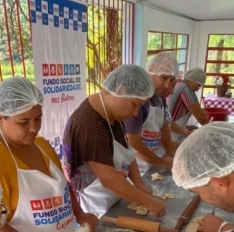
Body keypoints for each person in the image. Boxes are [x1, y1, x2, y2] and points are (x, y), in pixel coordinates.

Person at [0, 77, 98, 232]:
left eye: (38, 119)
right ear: (0, 117)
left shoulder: (41, 144)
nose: (34, 128)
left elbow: (63, 186)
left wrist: (79, 213)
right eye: (23, 122)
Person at [61, 64, 165, 217]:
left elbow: (126, 153)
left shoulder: (112, 114)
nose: (136, 113)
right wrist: (149, 202)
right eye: (134, 105)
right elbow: (108, 179)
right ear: (120, 91)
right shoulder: (89, 123)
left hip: (113, 197)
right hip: (94, 206)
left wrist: (139, 183)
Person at [125, 52, 179, 172]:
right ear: (151, 72)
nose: (167, 85)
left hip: (151, 161)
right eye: (164, 77)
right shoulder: (138, 98)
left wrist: (169, 150)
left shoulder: (160, 96)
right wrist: (159, 161)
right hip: (132, 167)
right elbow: (132, 140)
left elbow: (164, 124)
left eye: (172, 80)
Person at [168, 67, 210, 135]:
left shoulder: (179, 83)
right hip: (172, 133)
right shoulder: (186, 89)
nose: (197, 89)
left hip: (173, 127)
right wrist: (211, 129)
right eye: (198, 85)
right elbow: (202, 118)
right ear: (192, 80)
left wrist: (185, 127)